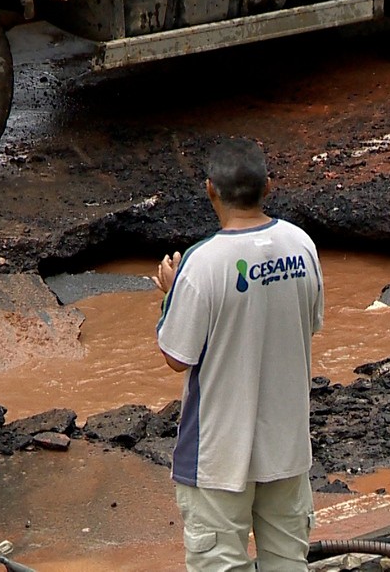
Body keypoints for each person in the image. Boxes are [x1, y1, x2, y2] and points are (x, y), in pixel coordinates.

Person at [153, 137, 324, 571]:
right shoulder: (302, 246)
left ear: (210, 189)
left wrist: (172, 295)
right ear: (268, 186)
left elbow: (177, 355)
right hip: (286, 449)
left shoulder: (201, 264)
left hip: (218, 456)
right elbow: (311, 322)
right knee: (288, 563)